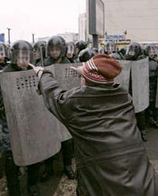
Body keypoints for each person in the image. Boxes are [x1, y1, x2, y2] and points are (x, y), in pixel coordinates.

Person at [31, 54, 158, 195]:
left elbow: (53, 94)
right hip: (144, 182)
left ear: (85, 80)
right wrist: (85, 72)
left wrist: (42, 73)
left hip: (106, 186)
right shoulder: (124, 98)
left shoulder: (76, 104)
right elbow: (100, 82)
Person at [0, 40, 40, 196]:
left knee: (34, 155)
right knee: (11, 157)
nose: (24, 61)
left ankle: (33, 185)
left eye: (26, 57)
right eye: (20, 57)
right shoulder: (3, 75)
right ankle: (14, 189)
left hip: (31, 122)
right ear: (14, 57)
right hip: (10, 124)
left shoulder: (36, 73)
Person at [40, 36, 75, 182]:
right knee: (49, 138)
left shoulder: (70, 65)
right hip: (48, 106)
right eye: (52, 50)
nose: (54, 52)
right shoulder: (42, 65)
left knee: (67, 139)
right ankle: (49, 168)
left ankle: (67, 166)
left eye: (57, 49)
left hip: (65, 104)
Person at [126, 42, 148, 141]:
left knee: (140, 112)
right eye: (131, 50)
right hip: (128, 88)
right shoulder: (125, 60)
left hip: (139, 89)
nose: (132, 52)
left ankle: (142, 131)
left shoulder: (142, 61)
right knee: (128, 112)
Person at [144, 44, 158, 128]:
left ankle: (152, 118)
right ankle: (149, 118)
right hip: (145, 84)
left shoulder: (155, 62)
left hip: (154, 84)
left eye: (153, 51)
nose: (151, 53)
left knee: (152, 103)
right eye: (150, 52)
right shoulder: (142, 62)